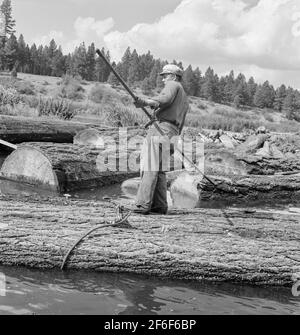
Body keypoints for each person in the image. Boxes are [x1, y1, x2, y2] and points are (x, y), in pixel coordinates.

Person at [129, 64, 190, 215]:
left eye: (165, 75)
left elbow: (164, 99)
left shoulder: (173, 85)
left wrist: (145, 101)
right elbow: (179, 121)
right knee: (160, 170)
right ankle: (159, 206)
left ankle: (142, 205)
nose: (163, 79)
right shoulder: (185, 99)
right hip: (172, 133)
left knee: (149, 167)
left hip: (160, 131)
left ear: (174, 77)